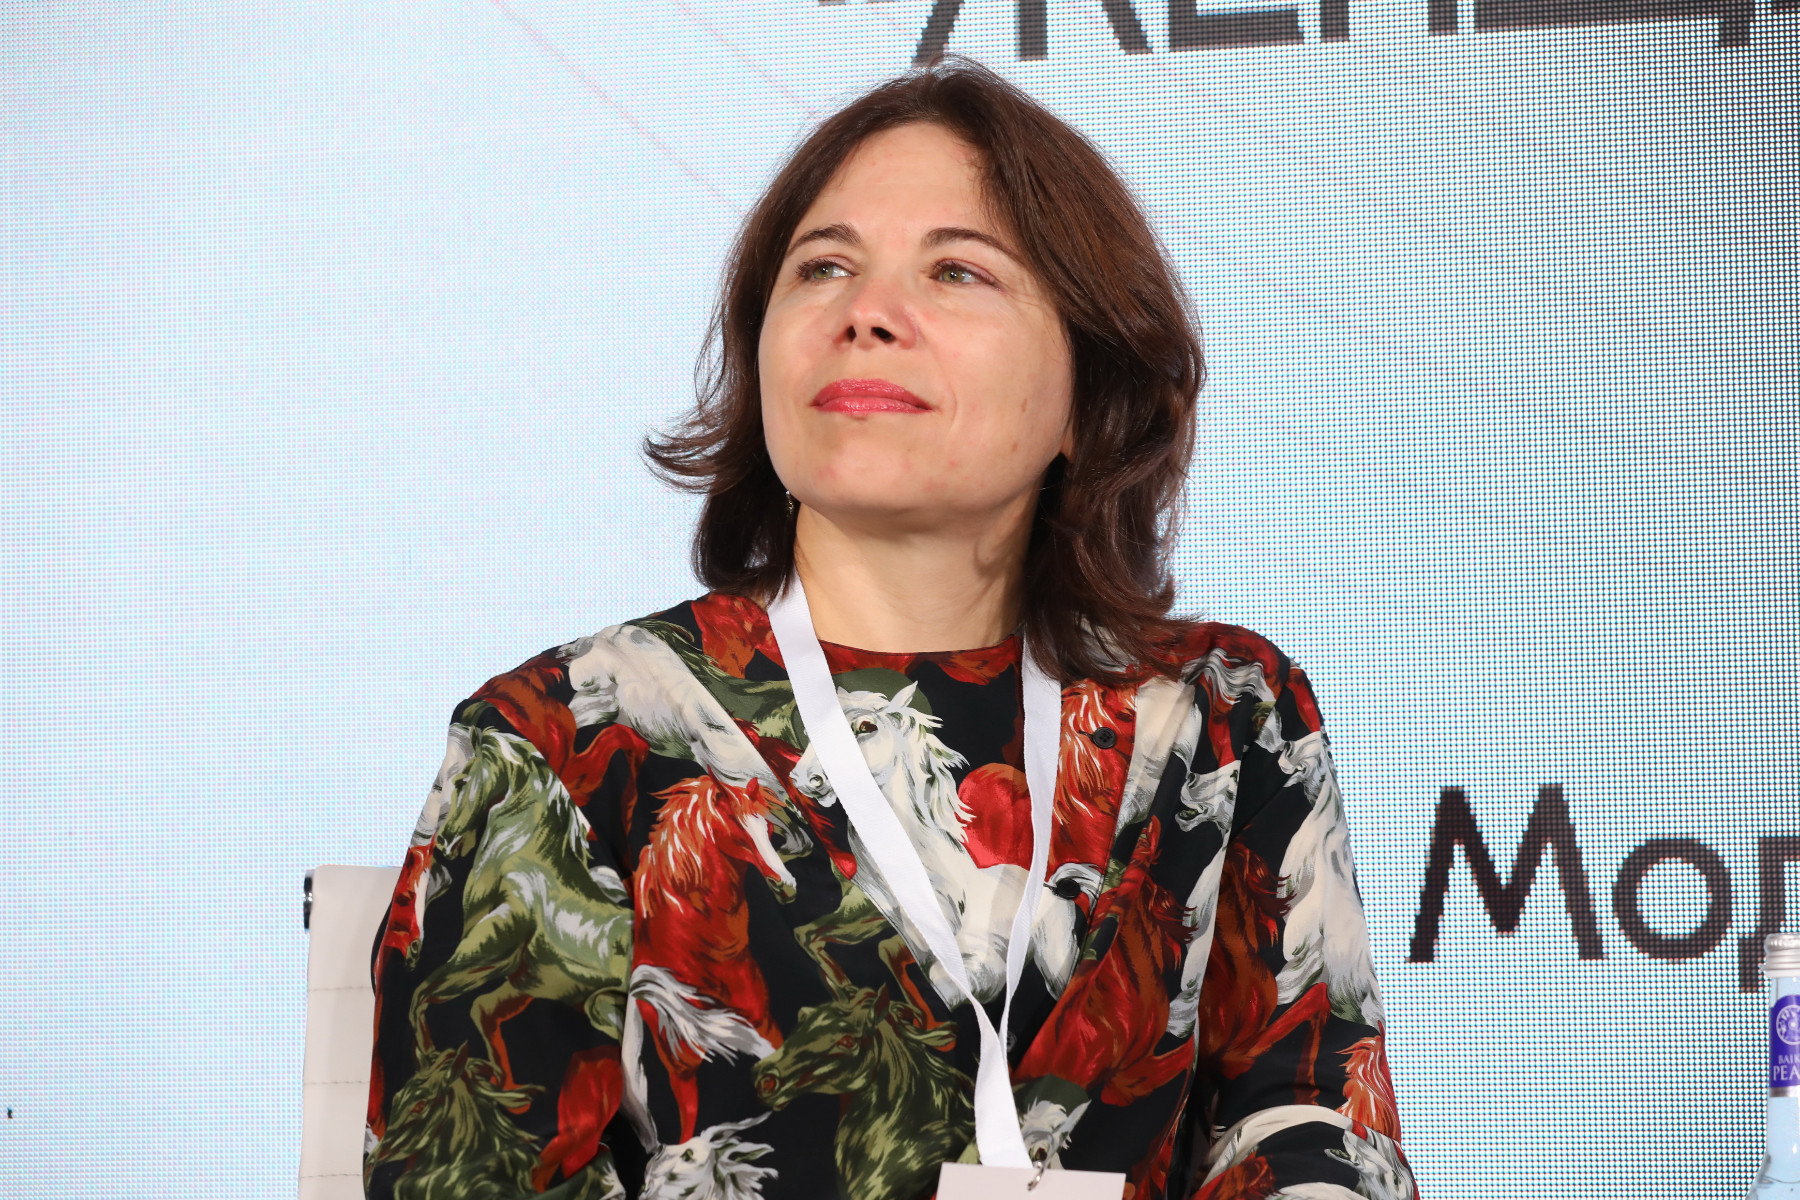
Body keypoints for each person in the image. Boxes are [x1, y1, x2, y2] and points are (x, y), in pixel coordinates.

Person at [365, 58, 1416, 1200]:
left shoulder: (1227, 715)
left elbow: (1311, 1125)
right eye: (822, 267)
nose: (864, 313)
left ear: (1090, 385)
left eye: (957, 270)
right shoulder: (567, 736)